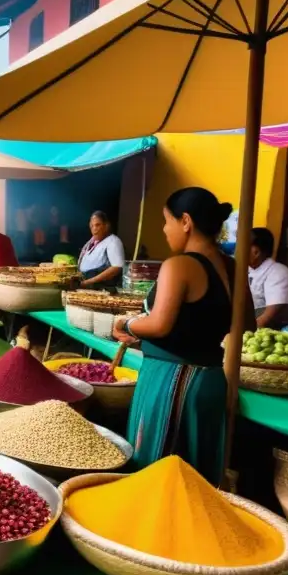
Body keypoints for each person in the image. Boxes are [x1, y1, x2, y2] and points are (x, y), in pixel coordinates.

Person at [113, 187, 254, 486]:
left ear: (186, 221)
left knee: (160, 475)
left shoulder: (180, 265)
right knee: (198, 479)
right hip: (214, 382)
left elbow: (160, 325)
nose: (165, 230)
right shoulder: (233, 267)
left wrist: (126, 324)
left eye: (167, 220)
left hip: (174, 382)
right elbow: (247, 328)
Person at [248, 227, 288, 328]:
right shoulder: (245, 269)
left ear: (256, 252)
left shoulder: (278, 272)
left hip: (272, 329)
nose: (237, 250)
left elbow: (268, 316)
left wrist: (246, 334)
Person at [78, 211, 125, 287]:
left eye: (97, 225)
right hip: (86, 285)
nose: (94, 229)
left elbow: (117, 267)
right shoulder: (91, 242)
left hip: (101, 289)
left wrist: (88, 282)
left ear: (106, 226)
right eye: (92, 226)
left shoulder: (113, 241)